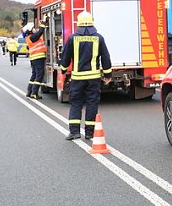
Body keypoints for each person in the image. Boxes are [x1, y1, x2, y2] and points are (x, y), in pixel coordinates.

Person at [59, 11, 112, 140]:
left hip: (77, 78)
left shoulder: (72, 38)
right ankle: (89, 133)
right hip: (93, 78)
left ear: (79, 23)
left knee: (76, 103)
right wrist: (108, 74)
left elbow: (65, 58)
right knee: (92, 103)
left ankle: (74, 132)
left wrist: (63, 70)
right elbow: (106, 57)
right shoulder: (99, 38)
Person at [25, 22, 47, 99]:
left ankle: (29, 91)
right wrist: (43, 24)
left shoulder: (29, 38)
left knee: (34, 75)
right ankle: (34, 93)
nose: (34, 30)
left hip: (34, 58)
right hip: (38, 58)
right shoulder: (32, 37)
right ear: (30, 30)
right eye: (33, 29)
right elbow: (40, 32)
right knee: (39, 75)